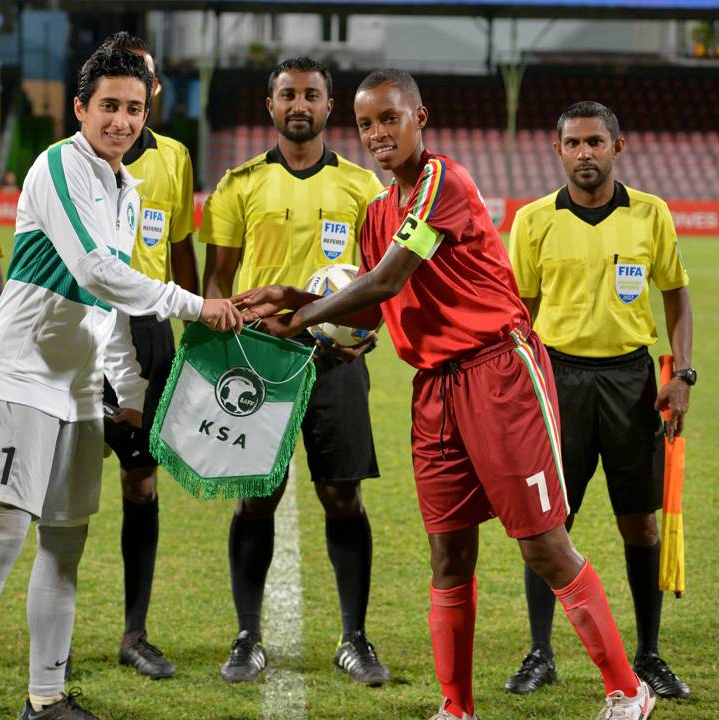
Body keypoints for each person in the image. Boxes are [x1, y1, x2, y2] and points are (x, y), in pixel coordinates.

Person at [237, 69, 657, 720]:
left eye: (390, 119)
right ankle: (456, 708)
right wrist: (299, 301)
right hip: (434, 388)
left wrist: (299, 317)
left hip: (499, 373)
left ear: (419, 118)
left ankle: (628, 691)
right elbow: (375, 307)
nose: (378, 134)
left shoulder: (443, 183)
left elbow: (387, 278)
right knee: (448, 550)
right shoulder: (377, 213)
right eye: (368, 123)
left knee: (543, 543)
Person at [0, 47, 241, 720]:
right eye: (108, 105)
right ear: (81, 108)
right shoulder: (57, 165)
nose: (122, 120)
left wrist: (127, 391)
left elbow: (110, 308)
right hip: (18, 379)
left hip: (77, 393)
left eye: (134, 108)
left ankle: (45, 698)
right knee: (5, 536)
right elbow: (95, 270)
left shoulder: (127, 192)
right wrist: (196, 305)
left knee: (64, 542)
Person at [200, 57, 390, 686]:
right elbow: (217, 282)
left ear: (329, 106)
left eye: (311, 94)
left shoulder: (366, 190)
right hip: (262, 364)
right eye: (288, 95)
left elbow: (385, 285)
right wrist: (230, 338)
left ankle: (355, 638)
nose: (299, 104)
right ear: (270, 105)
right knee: (258, 499)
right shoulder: (239, 185)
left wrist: (364, 336)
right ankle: (247, 636)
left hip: (333, 363)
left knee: (342, 495)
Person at [504, 100, 692, 700]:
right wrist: (515, 383)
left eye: (595, 142)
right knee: (548, 522)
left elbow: (678, 297)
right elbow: (519, 312)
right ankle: (540, 653)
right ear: (557, 150)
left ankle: (650, 655)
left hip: (632, 383)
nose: (585, 152)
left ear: (618, 147)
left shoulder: (650, 214)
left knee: (639, 522)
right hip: (557, 379)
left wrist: (681, 373)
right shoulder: (533, 221)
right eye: (574, 143)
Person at [93, 31, 199, 680]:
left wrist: (188, 329)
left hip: (151, 331)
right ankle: (51, 629)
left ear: (153, 91)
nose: (134, 98)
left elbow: (181, 246)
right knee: (50, 490)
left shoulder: (176, 159)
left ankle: (135, 632)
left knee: (141, 480)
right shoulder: (70, 161)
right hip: (83, 333)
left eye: (145, 83)